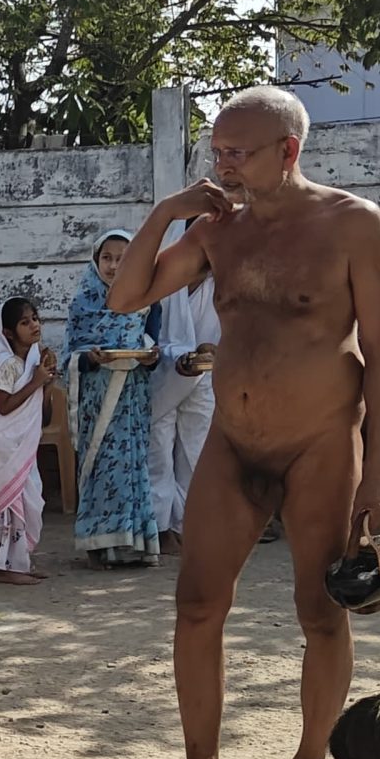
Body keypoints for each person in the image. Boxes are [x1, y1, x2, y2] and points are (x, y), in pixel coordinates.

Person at [108, 85, 380, 759]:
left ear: (288, 151)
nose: (224, 165)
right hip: (233, 443)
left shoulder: (353, 223)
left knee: (320, 612)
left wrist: (377, 473)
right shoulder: (217, 232)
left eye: (238, 152)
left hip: (322, 444)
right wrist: (165, 212)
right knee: (196, 604)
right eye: (217, 151)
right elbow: (125, 298)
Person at [64, 231, 163, 569]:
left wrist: (151, 357)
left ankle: (135, 546)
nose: (113, 265)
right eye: (107, 258)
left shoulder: (146, 301)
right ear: (96, 260)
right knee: (100, 467)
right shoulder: (83, 303)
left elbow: (153, 344)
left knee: (132, 465)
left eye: (122, 259)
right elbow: (69, 355)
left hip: (132, 397)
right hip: (97, 398)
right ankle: (97, 547)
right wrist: (90, 359)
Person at [147, 225, 220, 548]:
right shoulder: (164, 280)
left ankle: (187, 525)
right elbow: (146, 331)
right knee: (158, 452)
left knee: (196, 452)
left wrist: (214, 350)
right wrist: (176, 355)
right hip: (162, 376)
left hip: (205, 378)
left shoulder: (225, 283)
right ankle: (160, 527)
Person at [0, 296, 56, 585]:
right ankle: (6, 567)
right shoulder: (8, 365)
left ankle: (20, 561)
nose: (34, 325)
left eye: (35, 318)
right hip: (5, 446)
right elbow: (4, 406)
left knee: (31, 499)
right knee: (12, 505)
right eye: (25, 322)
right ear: (8, 333)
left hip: (23, 447)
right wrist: (36, 382)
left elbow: (43, 415)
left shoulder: (32, 362)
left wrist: (46, 384)